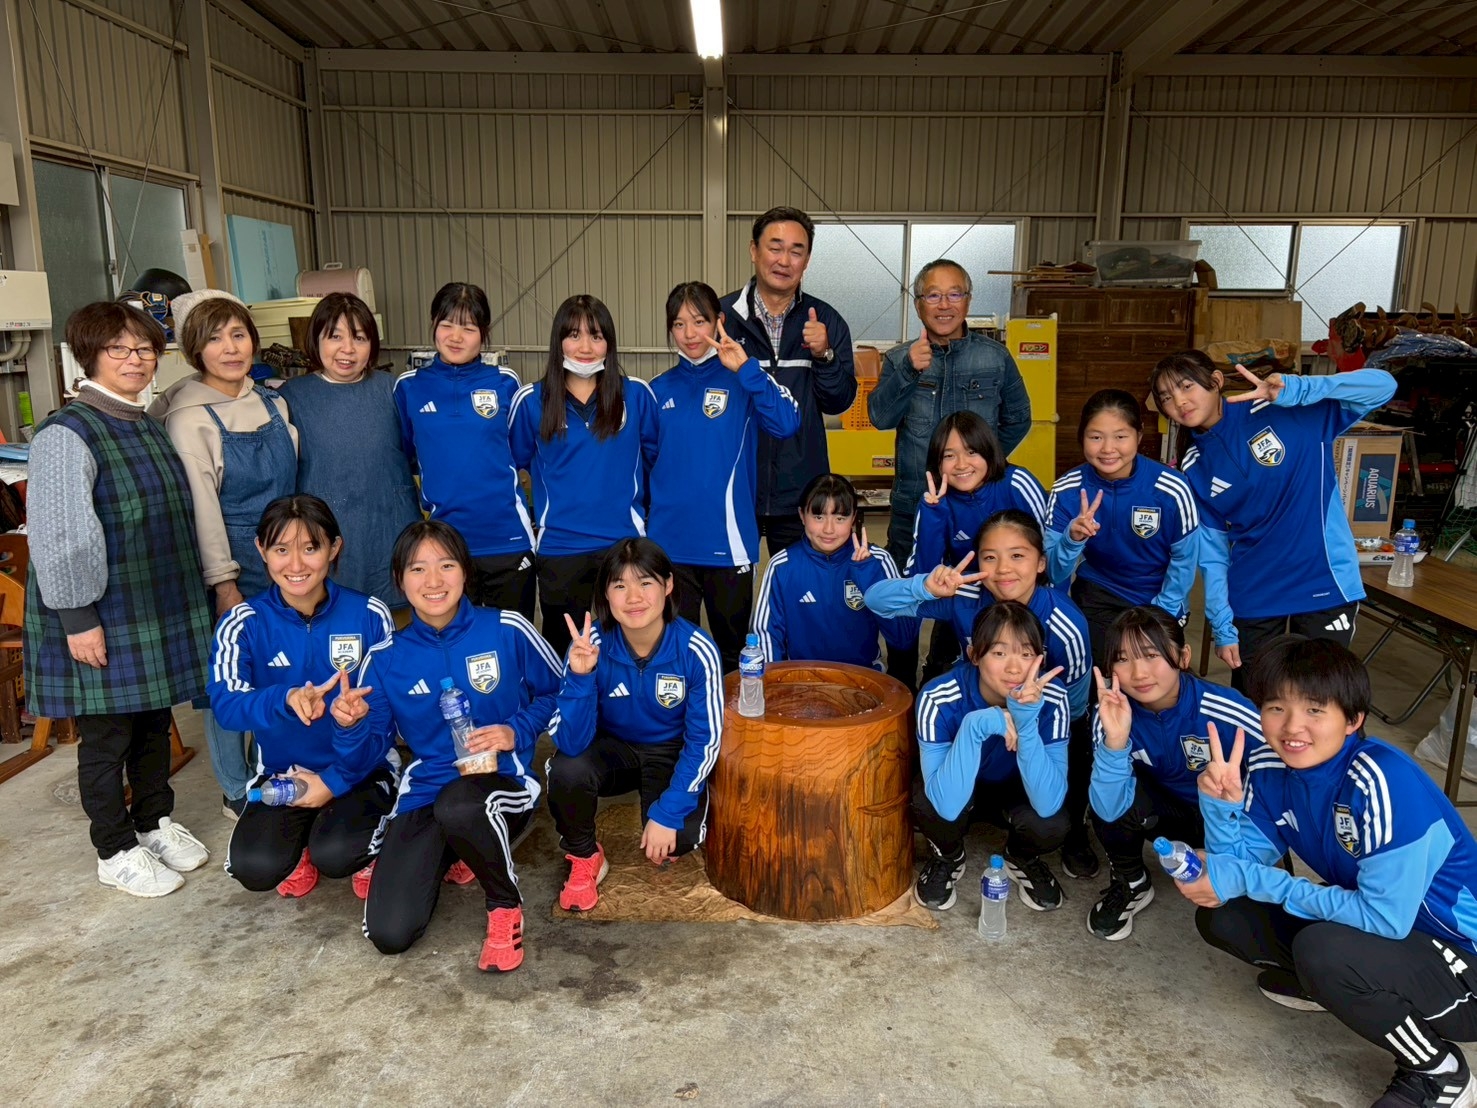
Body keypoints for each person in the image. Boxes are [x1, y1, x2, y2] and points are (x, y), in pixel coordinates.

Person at [1183, 637, 1477, 1108]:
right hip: (1385, 936)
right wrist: (1220, 809)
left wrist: (1256, 880)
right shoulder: (1273, 772)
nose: (1292, 727)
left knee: (1325, 950)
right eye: (1277, 707)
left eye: (1315, 710)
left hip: (1464, 964)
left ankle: (1438, 1071)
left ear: (1353, 719)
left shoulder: (1381, 780)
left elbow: (1385, 919)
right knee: (1226, 916)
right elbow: (1231, 876)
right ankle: (1337, 986)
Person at [24, 301, 214, 896]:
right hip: (100, 613)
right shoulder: (67, 432)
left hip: (154, 606)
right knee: (108, 737)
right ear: (90, 356)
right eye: (119, 349)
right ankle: (114, 847)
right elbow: (58, 536)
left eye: (145, 349)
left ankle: (153, 820)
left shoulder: (143, 422)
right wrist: (79, 619)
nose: (135, 360)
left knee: (156, 722)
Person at [331, 520, 563, 972]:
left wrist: (516, 729)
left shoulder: (506, 629)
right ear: (400, 579)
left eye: (446, 565)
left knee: (461, 807)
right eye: (417, 569)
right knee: (390, 933)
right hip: (428, 791)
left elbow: (562, 694)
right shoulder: (384, 659)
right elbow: (362, 758)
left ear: (464, 572)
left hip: (502, 782)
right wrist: (349, 726)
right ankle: (457, 852)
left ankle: (503, 905)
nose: (433, 581)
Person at [865, 508, 1098, 877]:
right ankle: (951, 843)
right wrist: (924, 586)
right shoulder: (967, 594)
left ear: (1041, 563)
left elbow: (1076, 704)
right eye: (991, 557)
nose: (1004, 569)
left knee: (1061, 787)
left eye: (1017, 556)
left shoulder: (1065, 625)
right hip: (975, 698)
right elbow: (876, 601)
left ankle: (1071, 835)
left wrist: (1030, 724)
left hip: (1042, 717)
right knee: (929, 788)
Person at [1149, 351, 1396, 689]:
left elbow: (1383, 386)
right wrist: (1222, 625)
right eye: (1166, 396)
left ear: (1216, 381)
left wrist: (1300, 388)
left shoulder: (1290, 409)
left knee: (1325, 699)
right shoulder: (1193, 467)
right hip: (1254, 595)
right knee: (1255, 707)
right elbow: (1213, 555)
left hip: (1324, 581)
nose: (1179, 401)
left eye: (1187, 386)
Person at [153, 291, 299, 820]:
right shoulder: (188, 418)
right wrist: (224, 582)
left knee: (281, 671)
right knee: (231, 680)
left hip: (288, 556)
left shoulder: (272, 402)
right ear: (195, 348)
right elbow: (202, 510)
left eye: (238, 334)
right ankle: (236, 789)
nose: (230, 348)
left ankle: (274, 769)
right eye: (214, 338)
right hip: (234, 558)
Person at [211, 495, 398, 899]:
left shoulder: (369, 613)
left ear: (334, 548)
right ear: (261, 549)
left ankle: (362, 844)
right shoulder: (242, 623)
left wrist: (334, 779)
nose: (296, 566)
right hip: (284, 776)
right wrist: (284, 698)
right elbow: (226, 706)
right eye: (281, 550)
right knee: (255, 867)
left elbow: (387, 715)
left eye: (311, 548)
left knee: (339, 854)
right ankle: (302, 844)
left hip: (361, 769)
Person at [545, 538, 724, 913]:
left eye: (645, 582)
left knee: (676, 845)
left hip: (672, 751)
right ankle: (583, 856)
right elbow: (570, 741)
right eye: (619, 585)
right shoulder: (590, 643)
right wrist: (580, 677)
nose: (633, 597)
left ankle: (661, 806)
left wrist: (668, 813)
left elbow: (705, 741)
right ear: (606, 595)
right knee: (566, 768)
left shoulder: (696, 648)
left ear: (668, 586)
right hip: (617, 749)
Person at [1086, 605, 1266, 941]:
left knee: (1245, 916)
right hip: (1167, 814)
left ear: (1183, 657)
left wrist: (1247, 842)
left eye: (1151, 654)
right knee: (1109, 787)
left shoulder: (1227, 709)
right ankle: (1131, 882)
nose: (1139, 672)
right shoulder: (1112, 713)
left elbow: (1281, 779)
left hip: (1232, 822)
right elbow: (1108, 809)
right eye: (1123, 659)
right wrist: (1115, 740)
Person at [648, 281, 800, 671]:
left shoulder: (742, 380)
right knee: (673, 652)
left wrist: (747, 368)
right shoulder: (657, 390)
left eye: (699, 321)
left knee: (733, 653)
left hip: (727, 544)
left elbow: (786, 423)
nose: (690, 334)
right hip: (670, 547)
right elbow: (646, 464)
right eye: (679, 325)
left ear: (718, 321)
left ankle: (734, 728)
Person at [509, 294, 659, 658]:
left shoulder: (636, 396)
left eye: (596, 335)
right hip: (561, 552)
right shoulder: (531, 401)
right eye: (574, 335)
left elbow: (655, 461)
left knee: (626, 650)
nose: (586, 347)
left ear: (609, 341)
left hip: (623, 549)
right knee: (568, 652)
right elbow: (513, 466)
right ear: (558, 341)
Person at [868, 258, 1031, 576]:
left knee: (973, 594)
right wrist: (908, 371)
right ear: (918, 305)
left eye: (954, 295)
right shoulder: (901, 358)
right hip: (914, 502)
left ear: (968, 301)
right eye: (933, 295)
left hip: (978, 506)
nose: (944, 305)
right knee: (906, 598)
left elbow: (1018, 418)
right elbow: (880, 418)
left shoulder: (995, 357)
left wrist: (979, 464)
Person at [911, 602, 1070, 913]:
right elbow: (946, 803)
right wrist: (978, 723)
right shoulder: (938, 697)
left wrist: (1025, 722)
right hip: (959, 788)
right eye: (999, 653)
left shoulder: (1054, 698)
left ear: (1040, 659)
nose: (1014, 668)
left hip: (1016, 789)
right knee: (927, 803)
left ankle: (1021, 856)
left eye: (1026, 654)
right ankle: (947, 854)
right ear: (974, 655)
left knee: (1051, 822)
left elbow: (1048, 801)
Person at [393, 282, 535, 618]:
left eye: (468, 328)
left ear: (483, 334)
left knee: (511, 643)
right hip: (444, 547)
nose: (456, 337)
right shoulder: (409, 386)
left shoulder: (506, 382)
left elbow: (518, 453)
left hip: (507, 540)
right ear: (433, 325)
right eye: (446, 325)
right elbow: (408, 454)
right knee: (453, 647)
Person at [719, 207, 856, 554]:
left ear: (807, 260)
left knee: (799, 596)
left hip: (801, 491)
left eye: (796, 251)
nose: (784, 260)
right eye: (775, 247)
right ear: (754, 251)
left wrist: (824, 354)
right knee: (732, 604)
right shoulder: (722, 319)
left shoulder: (826, 320)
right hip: (734, 486)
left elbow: (838, 401)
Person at [278, 293, 420, 610]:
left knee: (398, 631)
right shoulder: (292, 397)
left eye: (359, 337)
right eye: (335, 337)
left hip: (391, 530)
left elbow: (419, 456)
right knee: (333, 624)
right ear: (316, 339)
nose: (347, 349)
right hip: (325, 537)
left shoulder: (393, 389)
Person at [1046, 389, 1201, 670]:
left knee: (1151, 679)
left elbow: (1184, 562)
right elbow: (1054, 573)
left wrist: (1160, 611)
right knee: (1097, 675)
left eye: (1120, 436)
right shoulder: (1067, 490)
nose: (1108, 449)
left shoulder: (1171, 488)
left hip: (1157, 595)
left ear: (1139, 436)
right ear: (1082, 437)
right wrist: (1072, 538)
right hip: (1098, 593)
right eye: (1096, 437)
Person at [900, 409, 1048, 689]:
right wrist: (934, 513)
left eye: (971, 452)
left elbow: (1050, 553)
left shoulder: (1016, 483)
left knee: (1029, 678)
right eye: (948, 455)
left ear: (988, 451)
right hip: (964, 599)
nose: (960, 464)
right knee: (938, 680)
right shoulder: (934, 502)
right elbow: (920, 575)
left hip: (1026, 598)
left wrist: (1045, 605)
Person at [751, 472, 918, 669]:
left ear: (853, 517)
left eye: (840, 518)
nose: (829, 529)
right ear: (802, 515)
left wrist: (868, 576)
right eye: (819, 516)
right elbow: (766, 636)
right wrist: (776, 682)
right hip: (800, 680)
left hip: (862, 678)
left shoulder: (878, 561)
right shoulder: (782, 566)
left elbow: (903, 637)